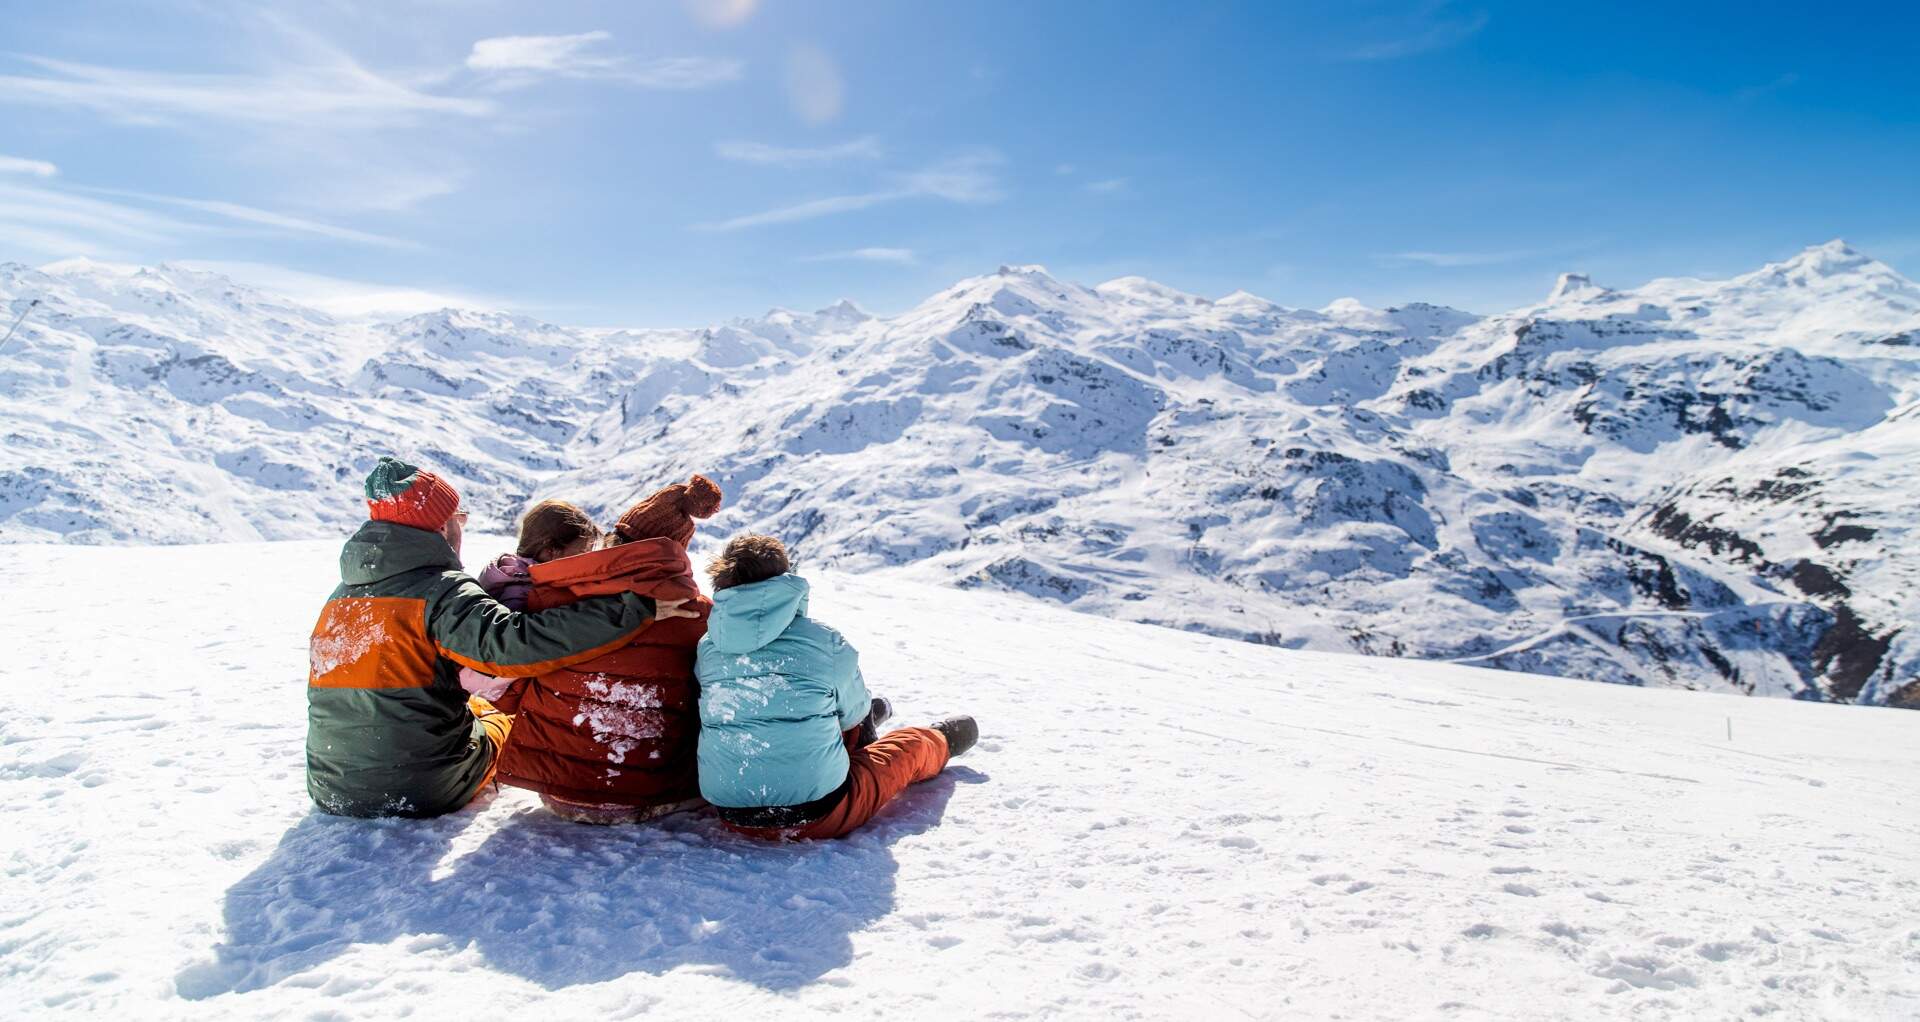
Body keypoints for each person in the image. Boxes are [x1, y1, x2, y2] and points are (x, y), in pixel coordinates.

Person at [305, 456, 694, 819]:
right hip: (420, 785)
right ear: (443, 527)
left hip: (330, 785)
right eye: (459, 518)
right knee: (506, 721)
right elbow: (514, 645)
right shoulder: (440, 591)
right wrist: (633, 610)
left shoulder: (342, 596)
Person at [694, 533, 977, 840]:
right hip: (820, 812)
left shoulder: (707, 647)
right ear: (786, 584)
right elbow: (855, 713)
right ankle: (942, 740)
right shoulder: (822, 640)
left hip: (733, 814)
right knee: (902, 751)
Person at [490, 475, 723, 824]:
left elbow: (514, 683)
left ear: (618, 538)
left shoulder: (554, 595)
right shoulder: (699, 613)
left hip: (559, 789)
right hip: (651, 792)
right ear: (678, 551)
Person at [455, 499, 603, 701]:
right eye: (581, 553)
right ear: (551, 550)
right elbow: (509, 653)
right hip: (489, 688)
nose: (585, 561)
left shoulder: (513, 575)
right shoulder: (521, 589)